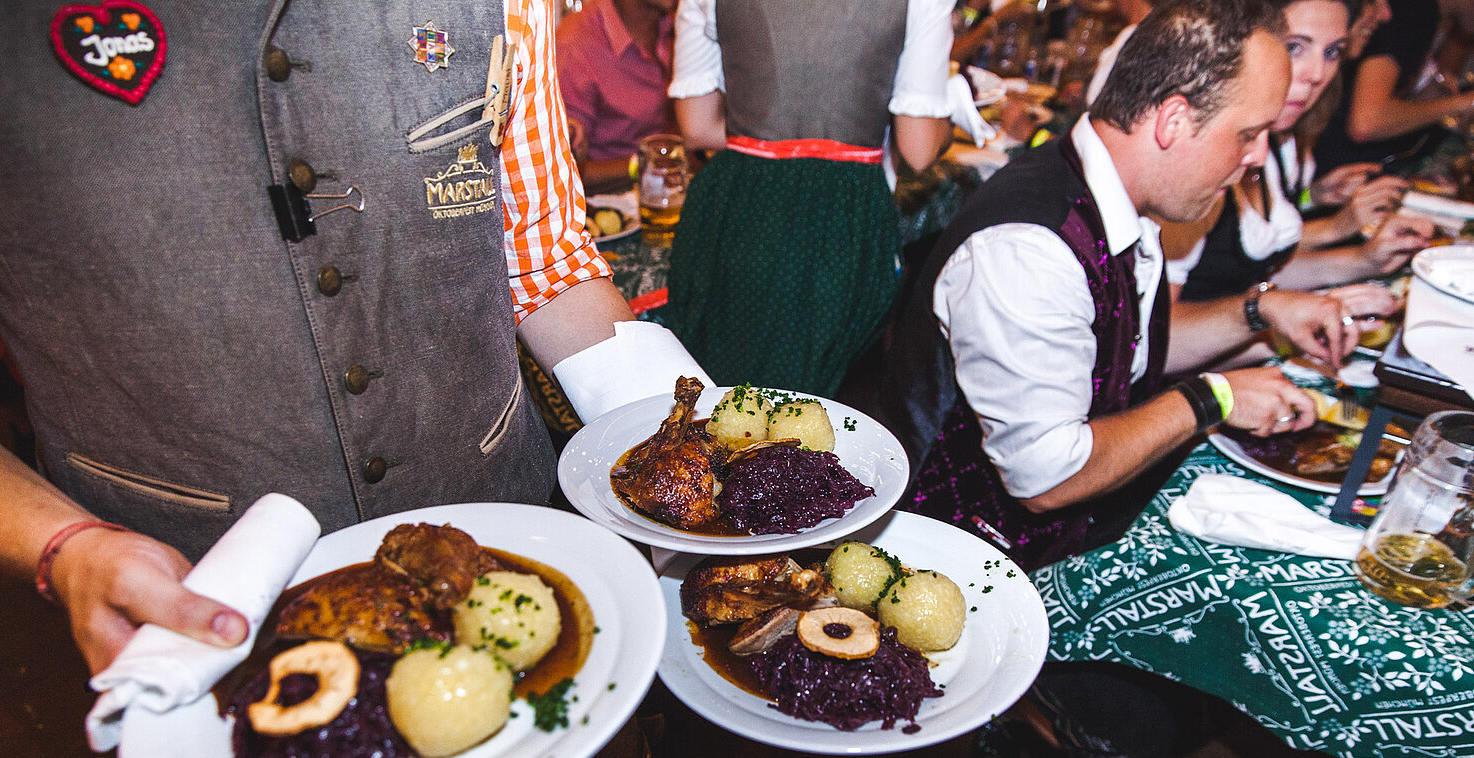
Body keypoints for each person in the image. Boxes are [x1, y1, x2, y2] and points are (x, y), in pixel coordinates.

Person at [0, 5, 710, 758]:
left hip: (510, 523)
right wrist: (60, 543)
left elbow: (540, 250)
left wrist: (686, 448)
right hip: (205, 591)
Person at [899, 0, 1343, 574]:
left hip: (1056, 540)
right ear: (1173, 120)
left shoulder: (1111, 191)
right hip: (960, 565)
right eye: (1248, 134)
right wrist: (1211, 399)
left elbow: (1122, 353)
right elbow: (1047, 477)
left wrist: (1257, 312)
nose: (1257, 157)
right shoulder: (1030, 248)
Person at [663, 0, 954, 398]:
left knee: (723, 391)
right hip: (841, 219)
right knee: (823, 400)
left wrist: (768, 134)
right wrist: (953, 111)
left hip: (738, 209)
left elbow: (697, 128)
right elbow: (918, 149)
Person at [1164, 0, 1420, 357]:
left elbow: (1258, 270)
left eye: (1332, 52)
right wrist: (1279, 330)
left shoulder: (1281, 137)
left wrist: (1362, 260)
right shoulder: (1201, 154)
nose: (1317, 74)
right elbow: (1149, 344)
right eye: (1294, 47)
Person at [1312, 0, 1474, 171]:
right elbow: (1365, 125)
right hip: (1337, 164)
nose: (1387, 14)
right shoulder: (1414, 10)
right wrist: (1463, 103)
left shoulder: (1427, 14)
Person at [557, 0, 679, 193]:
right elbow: (563, 169)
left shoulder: (679, 23)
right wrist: (643, 165)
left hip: (671, 192)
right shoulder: (576, 42)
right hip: (610, 201)